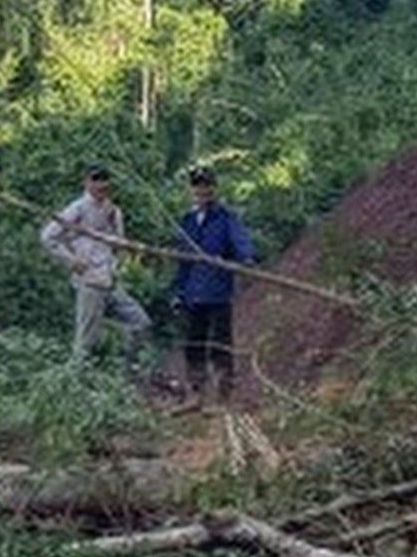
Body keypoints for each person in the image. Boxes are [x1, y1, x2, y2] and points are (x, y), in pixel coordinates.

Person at [41, 168, 152, 367]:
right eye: (96, 180)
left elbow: (119, 244)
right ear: (87, 182)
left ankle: (127, 368)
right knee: (85, 343)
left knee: (140, 322)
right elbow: (48, 236)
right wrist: (71, 260)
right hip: (89, 283)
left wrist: (124, 257)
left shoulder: (113, 211)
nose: (101, 185)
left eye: (104, 180)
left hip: (110, 281)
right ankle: (74, 385)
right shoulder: (78, 208)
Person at [168, 168, 260, 402]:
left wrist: (246, 259)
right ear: (192, 190)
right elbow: (182, 261)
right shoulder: (187, 220)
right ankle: (196, 394)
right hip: (192, 292)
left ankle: (222, 395)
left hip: (218, 291)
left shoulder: (226, 217)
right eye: (198, 186)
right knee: (193, 343)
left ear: (214, 188)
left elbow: (240, 240)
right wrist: (178, 292)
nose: (203, 191)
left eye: (207, 186)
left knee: (220, 343)